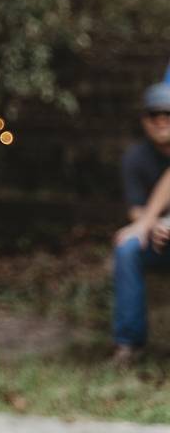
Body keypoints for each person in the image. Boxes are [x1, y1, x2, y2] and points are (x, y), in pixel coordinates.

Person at [111, 83, 170, 364]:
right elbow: (136, 210)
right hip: (157, 240)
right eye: (154, 113)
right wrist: (152, 224)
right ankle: (129, 343)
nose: (161, 120)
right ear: (144, 120)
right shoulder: (135, 158)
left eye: (167, 113)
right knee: (127, 248)